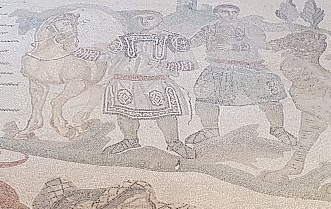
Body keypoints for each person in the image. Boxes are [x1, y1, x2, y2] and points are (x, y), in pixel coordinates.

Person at [185, 4, 296, 146]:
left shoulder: (247, 27)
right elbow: (192, 42)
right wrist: (180, 42)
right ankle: (210, 130)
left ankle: (278, 129)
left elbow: (260, 44)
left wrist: (234, 47)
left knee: (270, 98)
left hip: (249, 69)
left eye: (234, 12)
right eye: (225, 12)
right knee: (204, 98)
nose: (230, 15)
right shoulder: (210, 29)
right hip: (217, 69)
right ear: (217, 13)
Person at [101, 11, 197, 159]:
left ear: (160, 19)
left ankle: (174, 143)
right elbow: (105, 55)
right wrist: (73, 50)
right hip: (126, 83)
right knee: (125, 114)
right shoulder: (126, 39)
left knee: (165, 114)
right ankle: (130, 140)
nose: (144, 22)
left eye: (149, 18)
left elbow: (191, 64)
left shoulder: (173, 40)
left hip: (155, 82)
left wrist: (164, 64)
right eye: (140, 18)